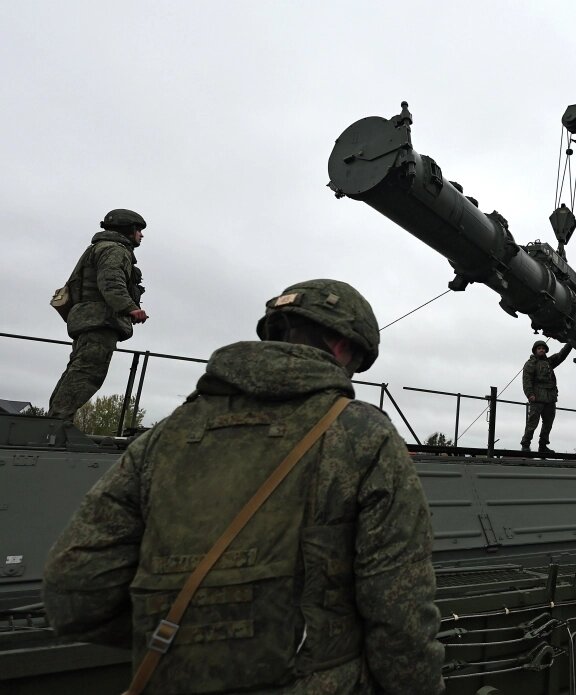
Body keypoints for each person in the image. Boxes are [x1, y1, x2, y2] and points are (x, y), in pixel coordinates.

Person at [43, 279, 445, 695]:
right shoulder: (363, 434)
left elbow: (73, 593)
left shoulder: (165, 435)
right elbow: (400, 612)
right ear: (343, 346)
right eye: (357, 362)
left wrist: (192, 636)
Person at [48, 208, 149, 422]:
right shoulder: (114, 250)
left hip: (89, 320)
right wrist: (130, 307)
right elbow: (111, 281)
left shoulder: (99, 248)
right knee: (87, 373)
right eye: (138, 230)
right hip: (100, 321)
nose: (141, 235)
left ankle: (54, 422)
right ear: (128, 229)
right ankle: (57, 424)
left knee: (77, 370)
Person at [520, 339, 573, 453]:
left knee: (548, 423)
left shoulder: (549, 362)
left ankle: (543, 446)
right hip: (537, 397)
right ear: (535, 350)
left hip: (550, 398)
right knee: (532, 423)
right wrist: (530, 394)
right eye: (539, 348)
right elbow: (526, 380)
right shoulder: (531, 363)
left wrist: (571, 343)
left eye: (543, 348)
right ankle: (525, 444)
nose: (541, 350)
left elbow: (561, 355)